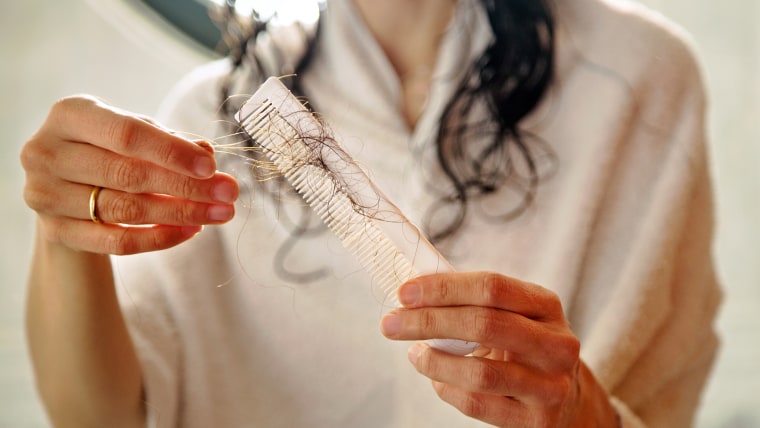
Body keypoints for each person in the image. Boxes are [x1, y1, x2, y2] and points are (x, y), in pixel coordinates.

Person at [20, 0, 722, 426]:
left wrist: (580, 415)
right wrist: (63, 237)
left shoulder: (639, 80)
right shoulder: (209, 116)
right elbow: (102, 418)